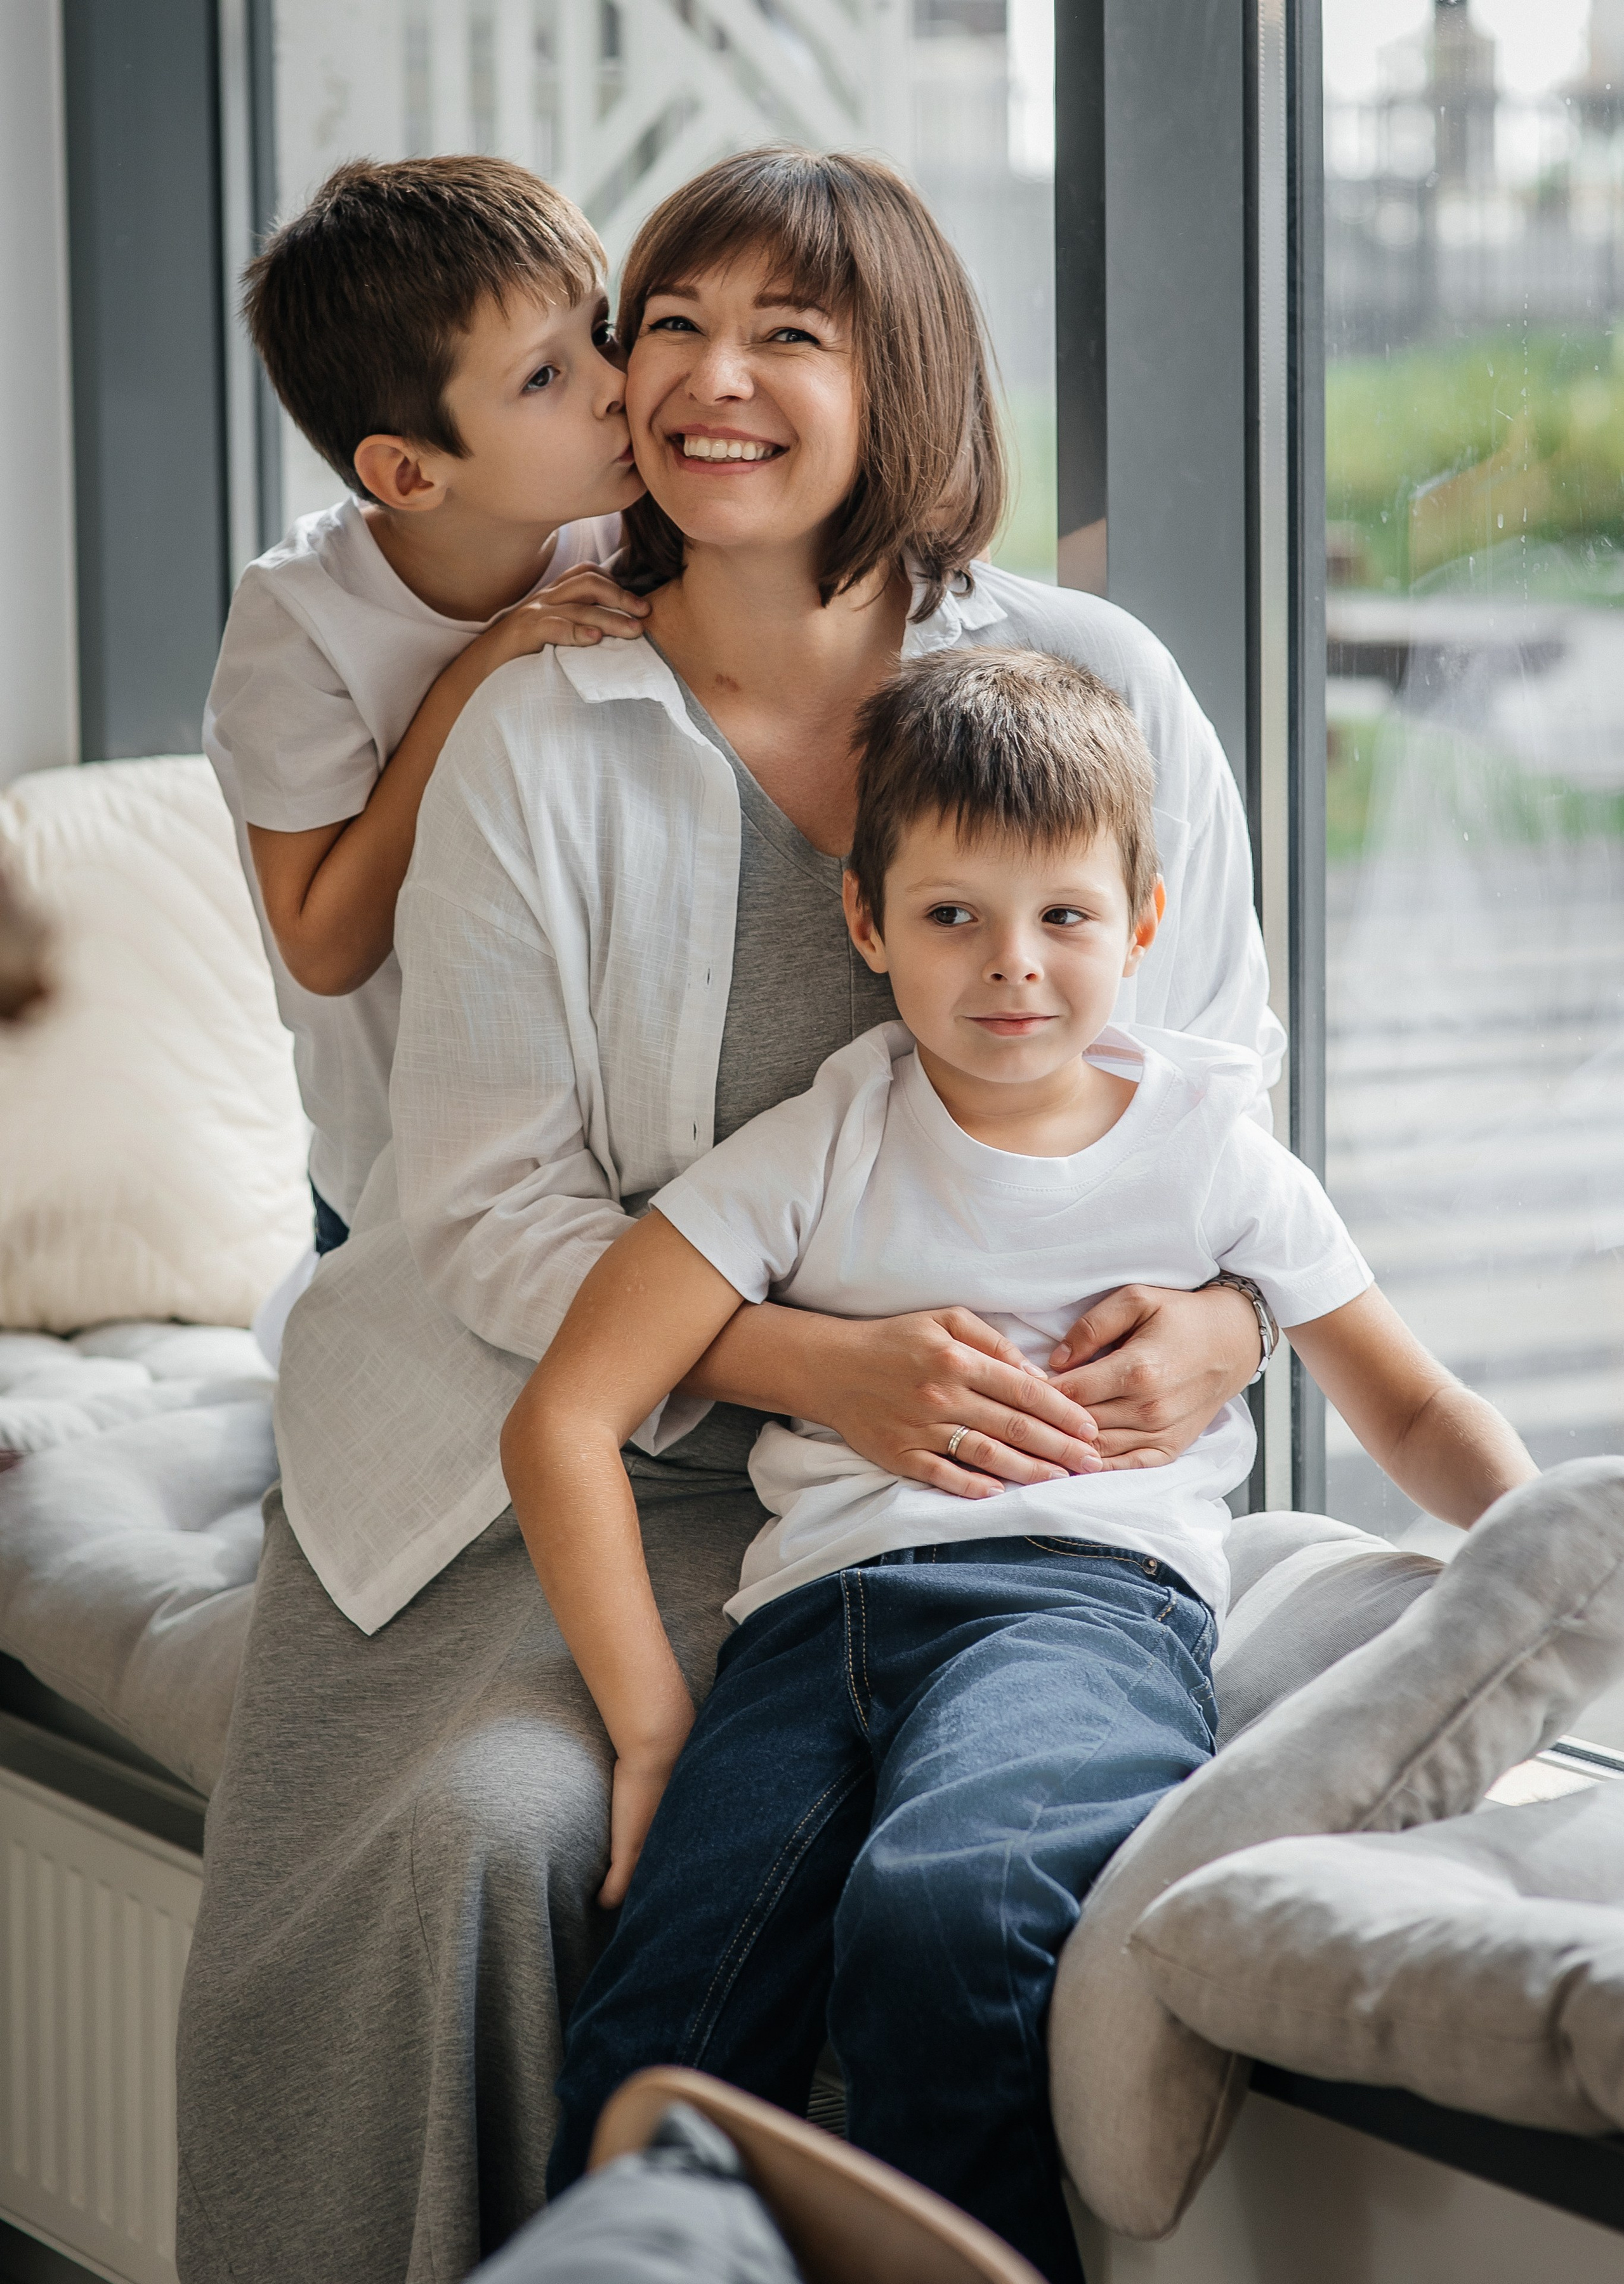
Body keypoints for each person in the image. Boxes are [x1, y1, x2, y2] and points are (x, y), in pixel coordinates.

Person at [178, 149, 1290, 2284]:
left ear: (911, 381)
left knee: (935, 1885)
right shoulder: (538, 711)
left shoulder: (1100, 685)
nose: (707, 380)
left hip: (965, 1486)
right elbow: (491, 1217)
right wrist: (813, 1363)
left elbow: (1218, 1094)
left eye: (793, 334)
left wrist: (1231, 1325)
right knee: (492, 1848)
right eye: (667, 324)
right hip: (560, 1433)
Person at [503, 652, 1535, 2281]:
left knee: (950, 1914)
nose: (1012, 969)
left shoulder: (1211, 1158)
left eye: (1062, 918)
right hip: (807, 1636)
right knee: (664, 2002)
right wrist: (647, 1732)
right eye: (950, 917)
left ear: (1140, 923)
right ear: (866, 924)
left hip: (1078, 1613)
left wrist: (1540, 1542)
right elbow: (562, 1413)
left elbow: (1405, 1412)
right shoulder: (821, 1141)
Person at [203, 155, 648, 1254]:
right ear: (408, 475)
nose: (613, 385)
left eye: (601, 332)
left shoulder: (632, 530)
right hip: (393, 1175)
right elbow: (322, 946)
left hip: (600, 1155)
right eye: (542, 378)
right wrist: (475, 679)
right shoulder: (300, 621)